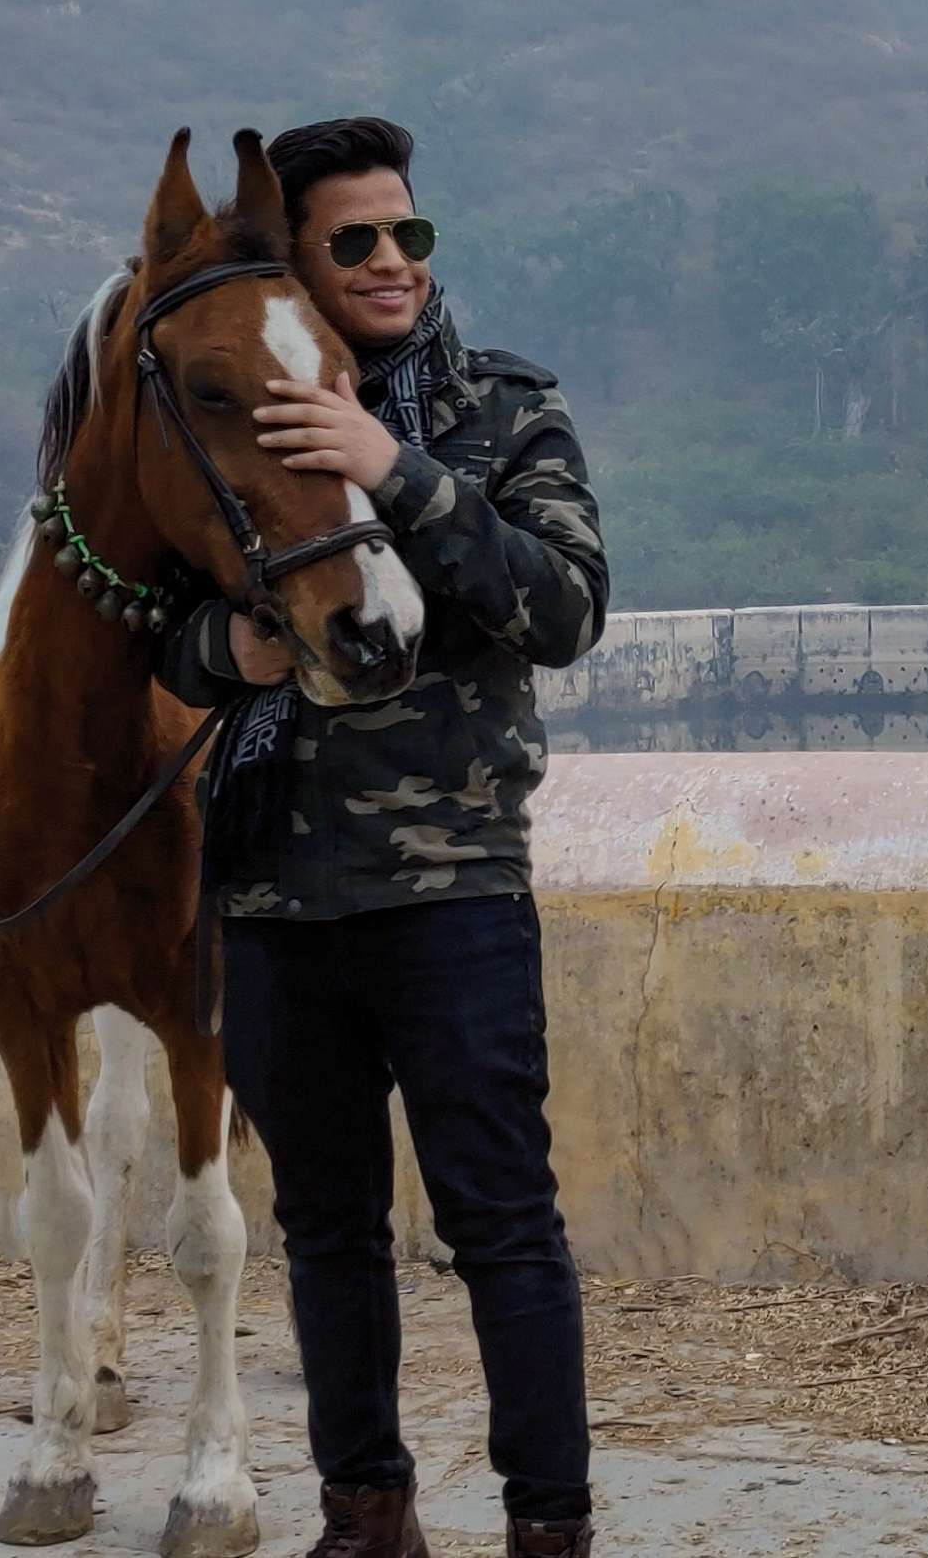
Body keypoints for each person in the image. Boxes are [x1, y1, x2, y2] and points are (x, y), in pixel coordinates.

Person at [157, 117, 610, 1558]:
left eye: (406, 233)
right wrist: (232, 651)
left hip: (453, 886)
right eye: (351, 240)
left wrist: (394, 468)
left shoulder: (503, 406)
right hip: (280, 884)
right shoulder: (236, 407)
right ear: (295, 259)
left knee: (503, 1225)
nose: (389, 262)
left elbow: (565, 610)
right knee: (327, 1231)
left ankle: (549, 1528)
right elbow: (160, 630)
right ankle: (366, 1520)